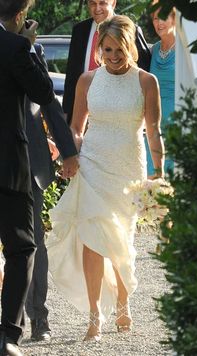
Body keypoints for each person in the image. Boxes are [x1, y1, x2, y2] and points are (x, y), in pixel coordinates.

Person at [47, 15, 164, 342]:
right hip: (93, 164)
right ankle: (95, 315)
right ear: (100, 48)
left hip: (128, 167)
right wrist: (72, 149)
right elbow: (75, 128)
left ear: (131, 48)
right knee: (91, 240)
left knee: (120, 239)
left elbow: (153, 130)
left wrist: (159, 173)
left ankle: (124, 303)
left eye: (119, 49)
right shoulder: (87, 80)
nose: (113, 55)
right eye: (108, 49)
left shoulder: (146, 82)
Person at [0, 0, 54, 354]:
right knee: (21, 247)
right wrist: (30, 48)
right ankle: (7, 336)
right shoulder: (18, 46)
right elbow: (44, 93)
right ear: (21, 17)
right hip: (8, 166)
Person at [25, 42, 78, 343]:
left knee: (33, 242)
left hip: (29, 157)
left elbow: (48, 102)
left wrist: (66, 149)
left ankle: (38, 318)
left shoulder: (32, 49)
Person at [63, 0, 151, 124]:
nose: (97, 8)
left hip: (119, 113)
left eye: (102, 3)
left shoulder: (130, 30)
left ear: (113, 3)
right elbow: (72, 74)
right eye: (93, 3)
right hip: (81, 112)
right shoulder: (80, 30)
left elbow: (144, 69)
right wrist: (66, 114)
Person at [145, 0, 175, 176]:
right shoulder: (153, 49)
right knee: (151, 175)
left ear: (174, 18)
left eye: (163, 17)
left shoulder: (186, 49)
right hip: (153, 122)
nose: (159, 22)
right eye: (155, 18)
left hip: (176, 120)